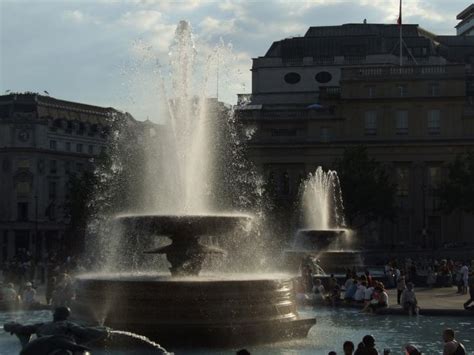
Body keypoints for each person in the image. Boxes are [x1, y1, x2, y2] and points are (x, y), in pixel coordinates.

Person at [4, 306, 109, 351]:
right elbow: (84, 332)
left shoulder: (42, 325)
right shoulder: (68, 325)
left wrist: (11, 326)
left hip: (39, 349)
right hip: (59, 349)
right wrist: (104, 331)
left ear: (54, 315)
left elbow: (23, 329)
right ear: (67, 316)